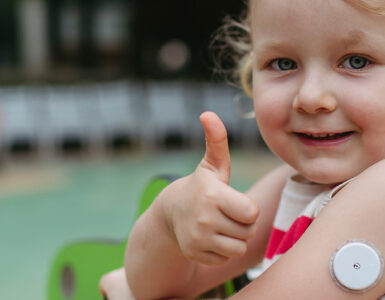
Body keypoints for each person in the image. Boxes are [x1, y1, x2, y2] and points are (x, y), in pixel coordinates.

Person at [100, 0, 385, 298]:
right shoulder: (295, 186)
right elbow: (152, 286)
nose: (310, 97)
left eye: (357, 61)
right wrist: (169, 217)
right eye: (283, 63)